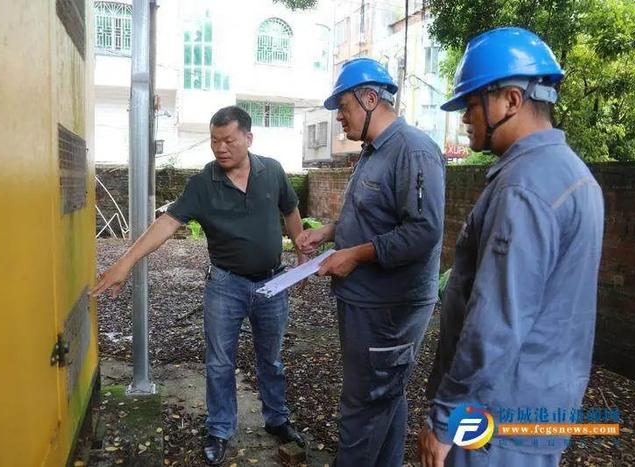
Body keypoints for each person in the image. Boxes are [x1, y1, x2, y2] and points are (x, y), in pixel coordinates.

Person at [418, 27, 604, 467]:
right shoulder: (575, 175)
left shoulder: (523, 187)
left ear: (511, 101)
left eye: (471, 103)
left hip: (492, 422)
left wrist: (447, 422)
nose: (465, 118)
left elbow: (494, 323)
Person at [91, 106, 306, 466]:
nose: (220, 148)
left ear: (248, 139)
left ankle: (277, 419)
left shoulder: (272, 171)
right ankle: (220, 429)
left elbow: (291, 209)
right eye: (214, 140)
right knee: (220, 362)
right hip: (226, 285)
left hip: (272, 283)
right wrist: (124, 262)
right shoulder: (203, 183)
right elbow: (166, 224)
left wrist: (301, 253)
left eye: (229, 140)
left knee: (271, 358)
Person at [296, 57, 446, 466]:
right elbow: (369, 215)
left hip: (390, 307)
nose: (340, 118)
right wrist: (328, 232)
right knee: (385, 396)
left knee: (363, 406)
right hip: (365, 300)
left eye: (343, 108)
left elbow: (422, 232)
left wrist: (355, 255)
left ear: (368, 98)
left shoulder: (413, 149)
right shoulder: (372, 151)